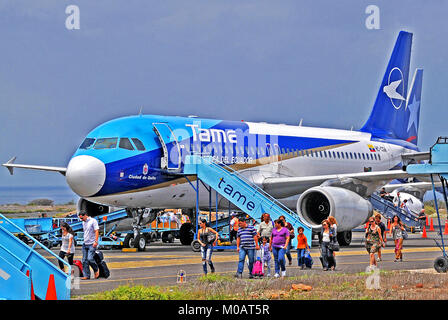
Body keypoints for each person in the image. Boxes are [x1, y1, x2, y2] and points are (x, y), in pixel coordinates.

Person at [78, 211, 100, 280]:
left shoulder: (93, 221)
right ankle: (86, 275)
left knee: (90, 258)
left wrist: (96, 241)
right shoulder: (83, 222)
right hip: (85, 243)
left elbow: (96, 231)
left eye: (82, 218)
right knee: (84, 260)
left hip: (92, 243)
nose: (81, 219)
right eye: (80, 218)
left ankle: (96, 269)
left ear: (85, 215)